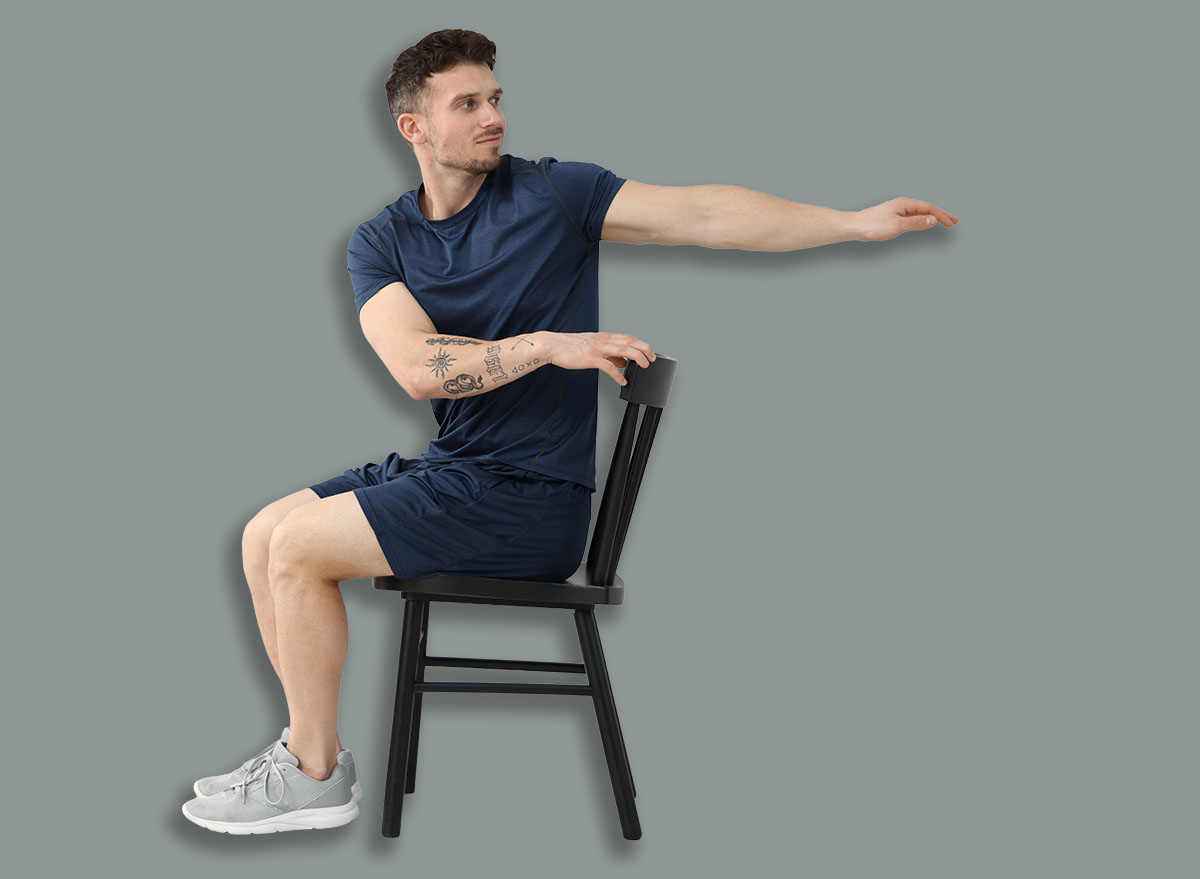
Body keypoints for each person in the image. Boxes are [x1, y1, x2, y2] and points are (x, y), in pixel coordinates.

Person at [181, 28, 959, 835]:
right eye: (468, 104)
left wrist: (854, 223)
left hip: (531, 501)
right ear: (414, 127)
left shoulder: (555, 196)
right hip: (458, 472)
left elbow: (699, 212)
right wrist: (550, 346)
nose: (494, 117)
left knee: (298, 547)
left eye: (496, 99)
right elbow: (418, 367)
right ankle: (314, 753)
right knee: (262, 534)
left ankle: (311, 775)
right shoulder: (382, 242)